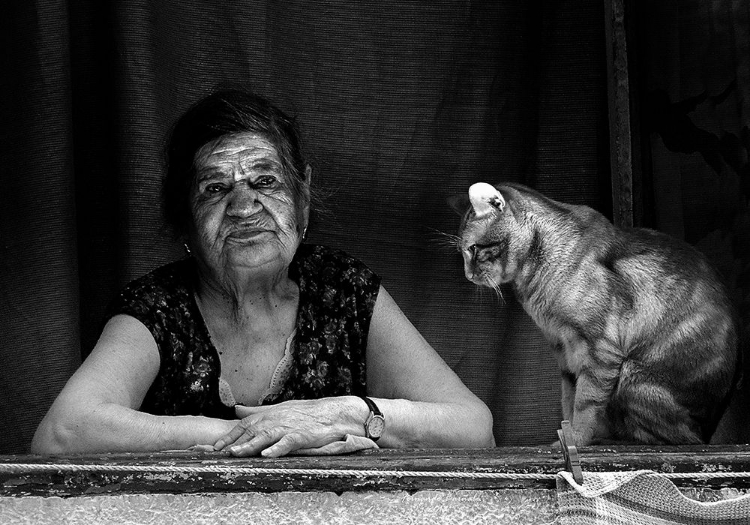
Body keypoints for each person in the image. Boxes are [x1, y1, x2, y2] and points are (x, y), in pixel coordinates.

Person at [31, 88, 495, 457]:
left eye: (265, 182)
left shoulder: (342, 289)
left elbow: (474, 429)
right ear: (185, 217)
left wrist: (345, 415)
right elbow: (63, 433)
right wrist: (261, 434)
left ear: (303, 196)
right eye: (215, 189)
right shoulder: (158, 308)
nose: (244, 207)